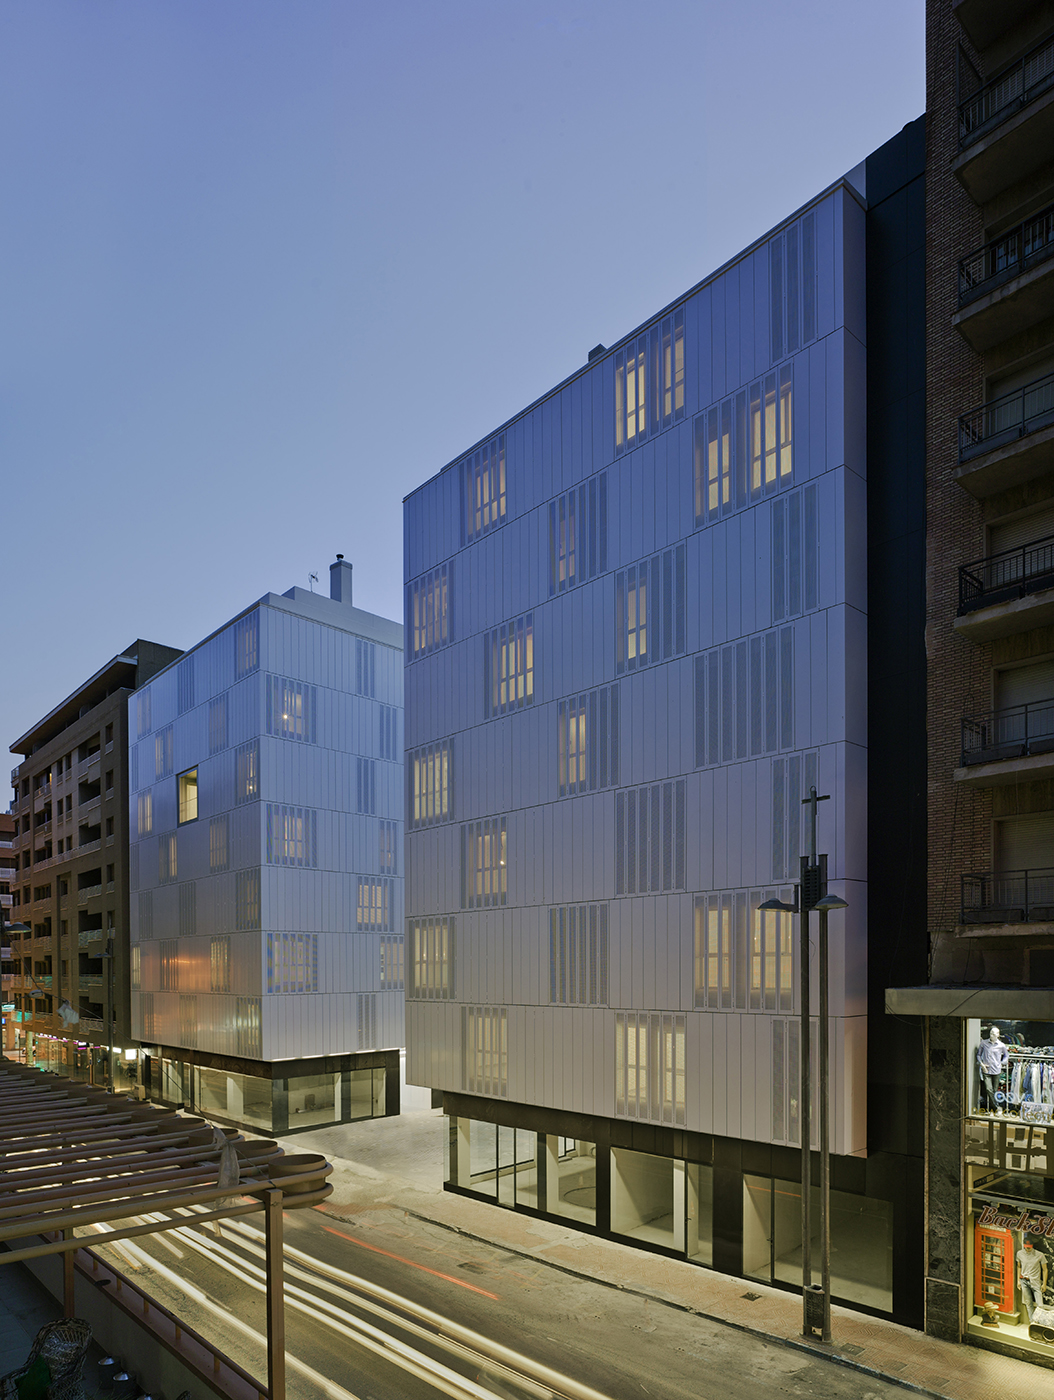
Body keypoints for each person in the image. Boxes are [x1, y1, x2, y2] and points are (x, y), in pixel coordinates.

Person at [977, 1026, 1009, 1114]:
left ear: (998, 1035)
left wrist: (1002, 1063)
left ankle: (993, 1110)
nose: (991, 1035)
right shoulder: (984, 1043)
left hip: (996, 1070)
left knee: (994, 1091)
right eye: (991, 1033)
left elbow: (1006, 1055)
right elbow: (978, 1055)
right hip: (986, 1069)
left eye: (994, 1034)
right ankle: (997, 1107)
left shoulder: (1001, 1045)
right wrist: (982, 1064)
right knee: (988, 1089)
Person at [1018, 1236, 1048, 1323]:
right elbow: (1019, 1266)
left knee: (1040, 1305)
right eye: (1026, 1248)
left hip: (1035, 1282)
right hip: (1024, 1281)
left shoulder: (1039, 1255)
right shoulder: (1020, 1254)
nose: (1028, 1250)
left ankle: (1040, 1323)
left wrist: (1044, 1284)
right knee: (1028, 1304)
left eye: (1029, 1248)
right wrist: (1018, 1281)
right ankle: (1032, 1322)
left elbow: (1045, 1269)